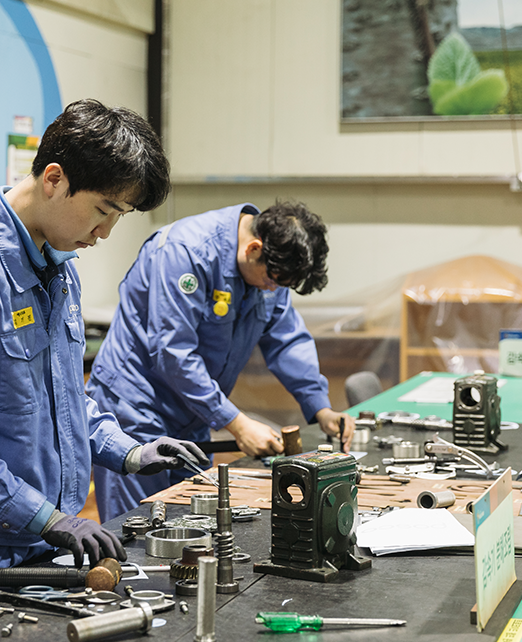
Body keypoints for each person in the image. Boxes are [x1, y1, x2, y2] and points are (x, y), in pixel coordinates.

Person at [0, 99, 207, 610]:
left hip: (43, 546)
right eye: (104, 210)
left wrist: (129, 451)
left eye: (120, 216)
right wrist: (48, 517)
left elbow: (63, 401)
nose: (105, 232)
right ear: (54, 179)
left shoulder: (58, 269)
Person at [86, 201, 354, 522]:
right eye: (272, 279)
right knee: (137, 531)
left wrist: (320, 407)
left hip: (192, 412)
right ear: (254, 248)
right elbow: (173, 353)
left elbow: (287, 339)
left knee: (191, 525)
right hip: (137, 410)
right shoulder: (185, 253)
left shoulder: (271, 267)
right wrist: (237, 423)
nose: (273, 288)